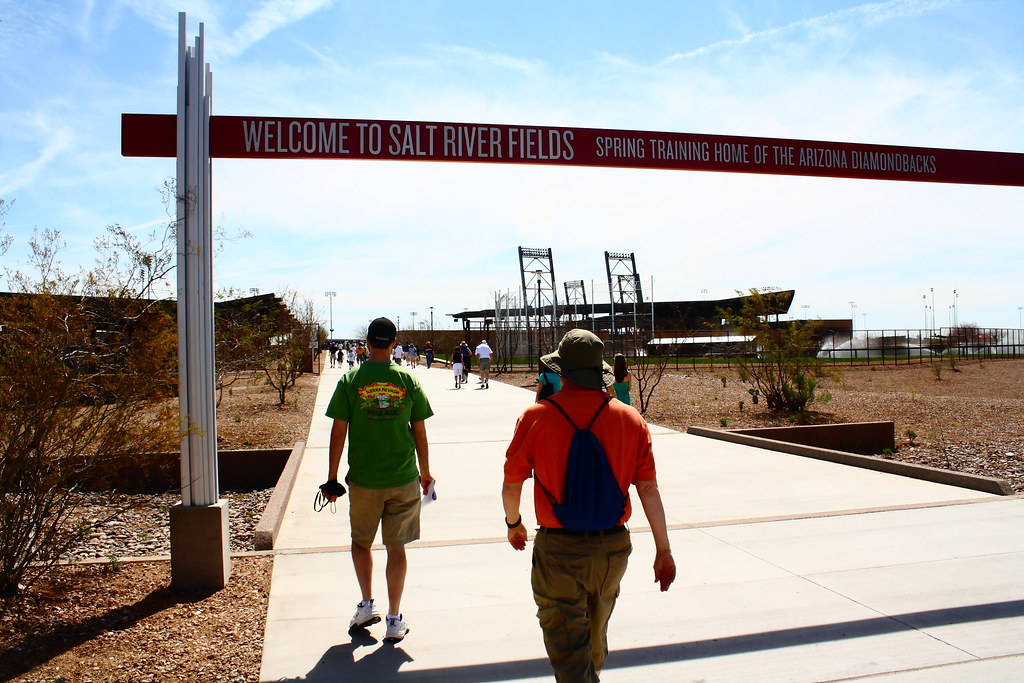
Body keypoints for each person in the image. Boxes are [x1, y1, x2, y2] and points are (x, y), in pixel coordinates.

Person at [502, 329, 676, 682]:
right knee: (595, 633)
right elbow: (648, 488)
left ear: (560, 371)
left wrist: (514, 522)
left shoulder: (535, 417)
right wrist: (664, 549)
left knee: (568, 649)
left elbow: (511, 484)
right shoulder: (631, 419)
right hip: (612, 548)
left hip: (559, 548)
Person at [323, 317, 434, 643]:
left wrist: (331, 479)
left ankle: (367, 603)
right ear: (394, 342)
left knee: (361, 542)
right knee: (396, 547)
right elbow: (421, 433)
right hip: (403, 478)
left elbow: (338, 432)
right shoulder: (407, 380)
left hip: (364, 480)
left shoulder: (351, 379)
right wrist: (425, 472)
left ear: (368, 342)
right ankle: (394, 618)